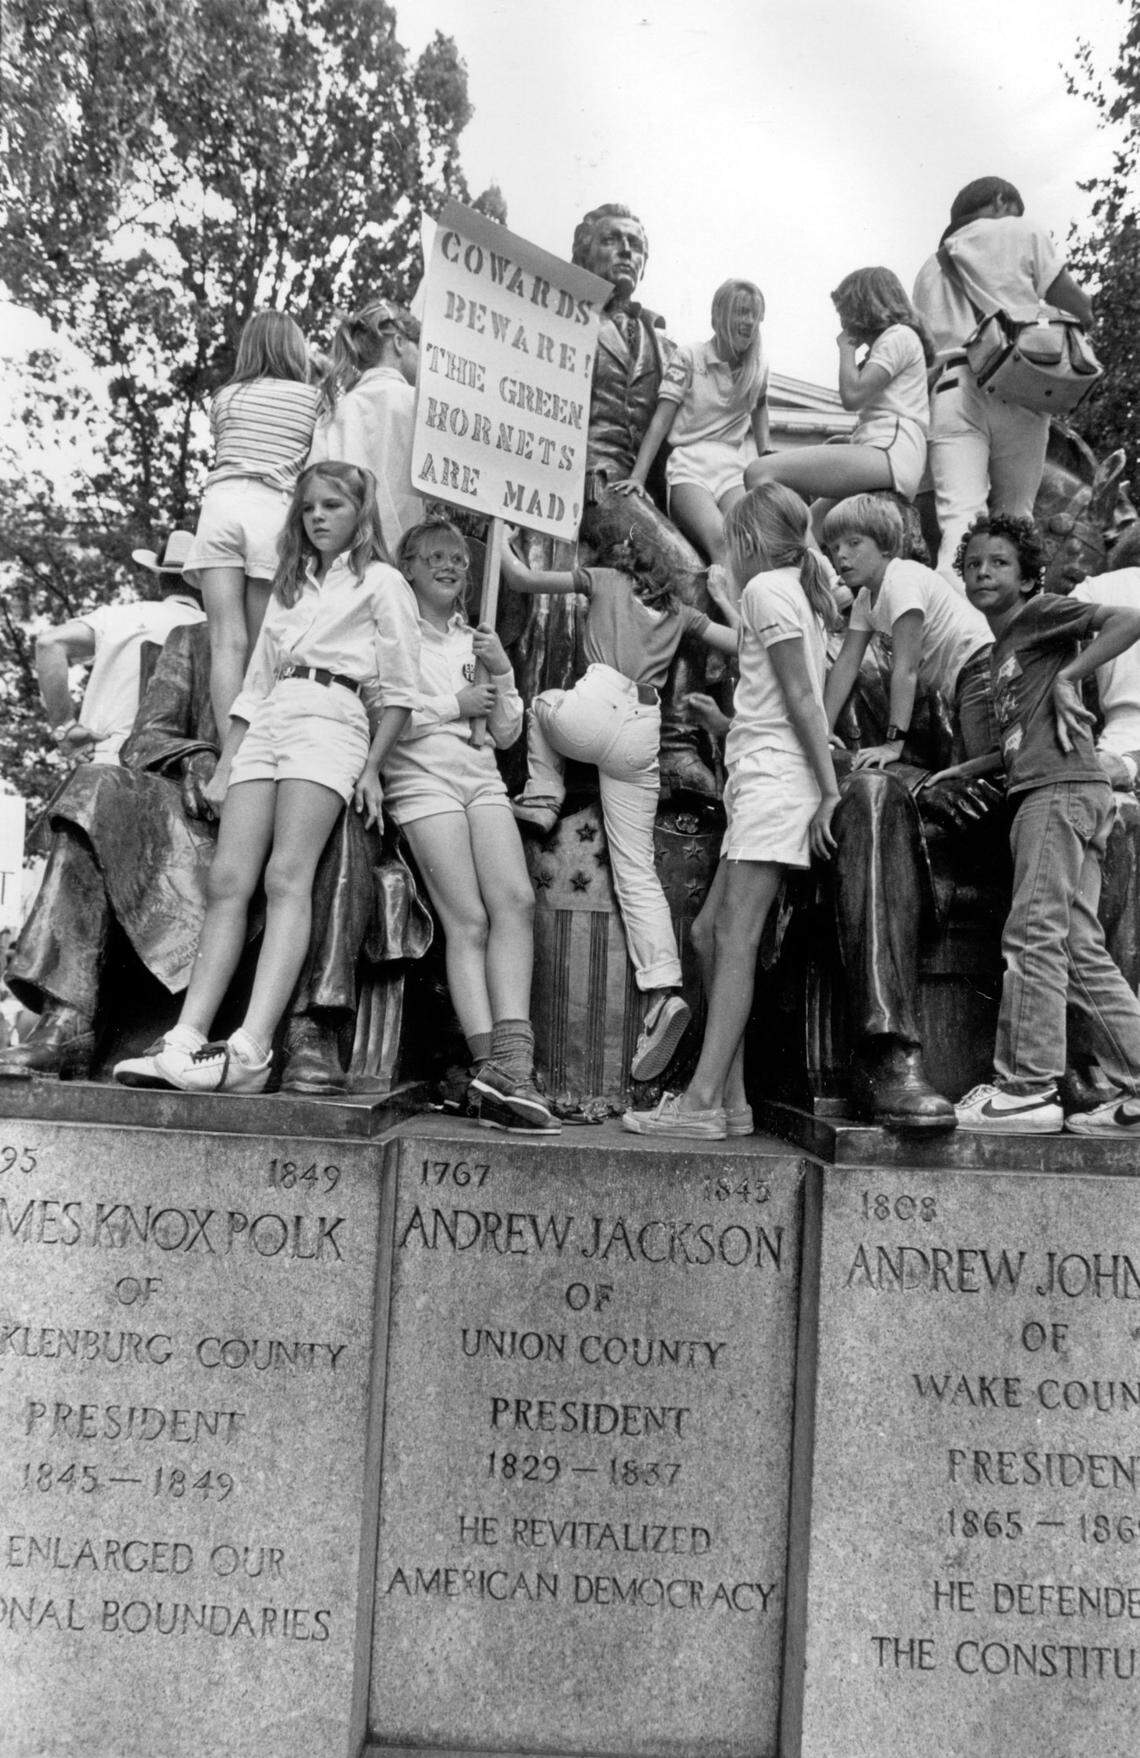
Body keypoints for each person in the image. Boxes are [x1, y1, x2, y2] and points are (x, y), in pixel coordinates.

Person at [0, 615, 429, 1088]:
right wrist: (198, 757)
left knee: (336, 813)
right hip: (197, 811)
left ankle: (313, 1031)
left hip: (298, 797)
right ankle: (68, 1017)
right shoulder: (191, 640)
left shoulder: (331, 639)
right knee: (93, 787)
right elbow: (147, 735)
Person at [113, 460, 419, 1094]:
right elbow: (255, 681)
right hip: (269, 718)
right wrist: (229, 760)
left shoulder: (384, 583)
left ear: (360, 514)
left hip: (332, 716)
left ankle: (251, 1048)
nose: (317, 517)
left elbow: (401, 693)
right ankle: (186, 1039)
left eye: (332, 506)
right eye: (309, 508)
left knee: (287, 878)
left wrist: (371, 768)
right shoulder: (291, 583)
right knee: (229, 879)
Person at [622, 483, 841, 1140]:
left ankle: (699, 1104)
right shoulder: (786, 591)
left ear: (747, 542)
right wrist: (727, 715)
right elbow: (769, 675)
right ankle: (733, 1100)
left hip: (776, 783)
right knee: (707, 934)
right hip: (763, 776)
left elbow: (803, 700)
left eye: (728, 543)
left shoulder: (765, 589)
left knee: (734, 939)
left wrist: (828, 789)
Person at [500, 525, 740, 1083]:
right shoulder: (681, 611)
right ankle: (662, 990)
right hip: (642, 728)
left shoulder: (603, 578)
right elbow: (746, 644)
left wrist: (509, 535)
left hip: (594, 701)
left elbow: (521, 577)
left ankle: (542, 796)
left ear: (619, 560)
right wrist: (724, 595)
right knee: (638, 868)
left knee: (541, 705)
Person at [944, 513, 1140, 1136]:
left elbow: (1129, 620)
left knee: (1033, 933)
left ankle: (1027, 1089)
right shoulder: (1005, 647)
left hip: (1058, 794)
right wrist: (960, 771)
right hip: (1059, 789)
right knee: (1079, 949)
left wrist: (1070, 677)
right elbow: (1018, 740)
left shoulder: (1040, 615)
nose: (982, 572)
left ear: (1029, 577)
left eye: (999, 562)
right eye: (973, 563)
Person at [385, 516, 557, 1135]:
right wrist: (451, 706)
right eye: (435, 556)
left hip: (479, 777)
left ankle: (515, 1063)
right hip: (420, 779)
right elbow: (383, 715)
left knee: (514, 900)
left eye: (459, 558)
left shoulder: (474, 639)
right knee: (470, 921)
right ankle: (489, 1067)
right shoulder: (394, 630)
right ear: (408, 566)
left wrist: (503, 673)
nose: (451, 565)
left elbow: (507, 732)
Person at [913, 176, 1094, 578]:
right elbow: (1077, 305)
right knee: (1016, 519)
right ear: (1001, 201)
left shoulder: (929, 269)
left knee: (960, 520)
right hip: (1020, 385)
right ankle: (1020, 627)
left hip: (952, 388)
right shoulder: (1021, 230)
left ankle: (959, 628)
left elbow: (924, 352)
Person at [183, 310, 321, 770]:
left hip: (220, 506)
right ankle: (263, 752)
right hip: (272, 512)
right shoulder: (312, 399)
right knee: (267, 645)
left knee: (226, 640)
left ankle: (231, 755)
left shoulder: (225, 397)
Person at [821, 494, 995, 768]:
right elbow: (846, 663)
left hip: (981, 668)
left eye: (854, 543)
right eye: (834, 547)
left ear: (885, 546)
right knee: (971, 766)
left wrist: (893, 743)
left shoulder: (901, 580)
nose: (841, 554)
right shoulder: (866, 599)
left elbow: (906, 669)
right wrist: (825, 728)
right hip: (961, 681)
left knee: (985, 766)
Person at [613, 278, 769, 580]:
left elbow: (761, 416)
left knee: (751, 540)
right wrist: (637, 478)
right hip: (689, 464)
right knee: (721, 541)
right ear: (719, 314)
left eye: (754, 314)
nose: (748, 321)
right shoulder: (689, 357)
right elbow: (660, 422)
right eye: (741, 312)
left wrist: (769, 467)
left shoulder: (757, 368)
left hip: (732, 466)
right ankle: (729, 621)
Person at [744, 267, 931, 510]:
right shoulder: (897, 340)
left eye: (845, 312)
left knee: (759, 471)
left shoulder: (897, 336)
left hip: (889, 452)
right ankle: (803, 548)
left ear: (864, 306)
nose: (843, 322)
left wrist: (846, 348)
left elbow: (852, 396)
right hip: (890, 453)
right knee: (811, 527)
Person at [35, 531, 205, 765]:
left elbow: (48, 644)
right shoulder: (214, 634)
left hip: (103, 763)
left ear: (160, 581)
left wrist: (64, 726)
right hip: (176, 769)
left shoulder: (120, 617)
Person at [308, 299, 424, 554]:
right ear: (400, 343)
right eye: (420, 345)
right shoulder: (420, 406)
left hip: (348, 560)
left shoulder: (334, 413)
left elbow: (312, 487)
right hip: (409, 558)